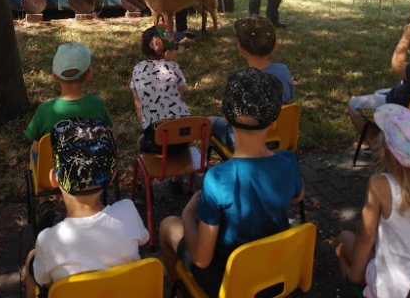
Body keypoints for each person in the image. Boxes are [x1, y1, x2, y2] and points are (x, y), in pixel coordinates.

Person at [159, 67, 304, 297]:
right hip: (277, 273)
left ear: (225, 118)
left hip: (230, 285)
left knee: (168, 225)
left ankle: (182, 288)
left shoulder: (217, 180)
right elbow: (297, 197)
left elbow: (201, 259)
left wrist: (187, 215)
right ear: (274, 122)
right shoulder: (288, 161)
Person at [24, 118, 149, 298]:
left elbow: (47, 283)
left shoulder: (48, 241)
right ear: (112, 175)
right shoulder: (128, 211)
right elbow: (142, 239)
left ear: (54, 179)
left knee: (31, 258)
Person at [25, 42, 113, 230]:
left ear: (54, 75)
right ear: (88, 74)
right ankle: (93, 202)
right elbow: (109, 133)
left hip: (54, 175)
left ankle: (44, 203)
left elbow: (38, 147)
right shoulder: (97, 105)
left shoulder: (44, 111)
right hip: (94, 171)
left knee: (35, 152)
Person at [335, 104, 410, 298]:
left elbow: (366, 236)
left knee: (342, 239)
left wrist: (355, 275)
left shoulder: (381, 186)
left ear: (384, 152)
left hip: (394, 288)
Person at [210, 15, 295, 152]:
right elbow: (289, 98)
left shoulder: (238, 80)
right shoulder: (283, 71)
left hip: (243, 144)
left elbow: (227, 118)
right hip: (279, 139)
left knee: (210, 121)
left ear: (241, 50)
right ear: (275, 46)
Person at [347, 22, 410, 144]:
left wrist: (405, 38)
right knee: (378, 92)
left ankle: (378, 149)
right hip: (406, 100)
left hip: (400, 109)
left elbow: (397, 63)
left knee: (353, 105)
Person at [130, 24, 191, 154]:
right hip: (183, 134)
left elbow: (138, 102)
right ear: (167, 53)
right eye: (176, 47)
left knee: (141, 140)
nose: (178, 50)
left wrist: (146, 126)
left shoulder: (137, 69)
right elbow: (180, 96)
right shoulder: (174, 67)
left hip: (156, 137)